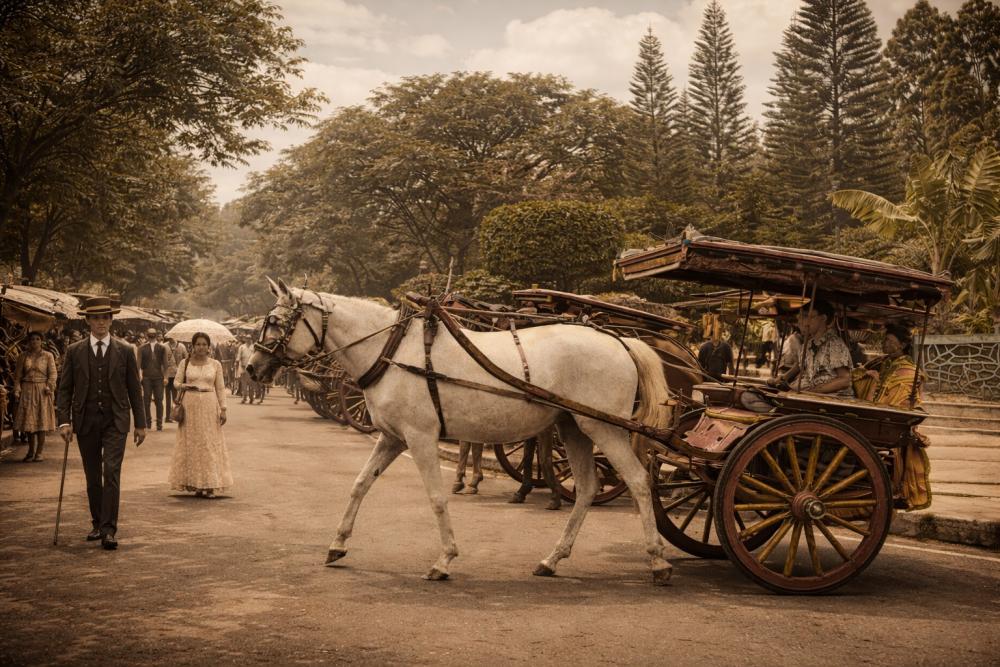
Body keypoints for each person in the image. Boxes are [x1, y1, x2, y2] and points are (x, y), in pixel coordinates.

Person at [56, 296, 145, 550]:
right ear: (87, 321)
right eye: (95, 318)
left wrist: (141, 423)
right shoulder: (74, 351)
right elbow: (65, 389)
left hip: (116, 420)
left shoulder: (126, 350)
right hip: (85, 421)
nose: (101, 322)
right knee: (93, 476)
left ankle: (109, 530)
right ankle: (97, 522)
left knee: (111, 472)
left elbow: (134, 390)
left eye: (105, 317)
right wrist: (64, 422)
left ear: (111, 320)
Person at [167, 332, 232, 498]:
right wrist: (185, 385)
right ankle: (196, 483)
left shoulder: (215, 364)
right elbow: (176, 382)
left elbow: (220, 387)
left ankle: (210, 485)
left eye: (204, 344)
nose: (201, 347)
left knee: (209, 443)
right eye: (198, 344)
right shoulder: (185, 363)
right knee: (192, 443)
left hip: (210, 405)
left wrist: (223, 409)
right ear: (193, 346)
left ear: (208, 346)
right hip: (190, 405)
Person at [768, 301, 853, 396]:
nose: (801, 322)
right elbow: (799, 366)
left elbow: (845, 380)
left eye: (806, 316)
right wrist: (781, 379)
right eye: (799, 317)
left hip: (833, 399)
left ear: (823, 318)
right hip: (809, 395)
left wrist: (811, 392)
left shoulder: (834, 343)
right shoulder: (807, 345)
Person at [852, 323, 923, 406]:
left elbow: (889, 401)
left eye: (890, 341)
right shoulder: (882, 361)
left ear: (902, 345)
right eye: (885, 339)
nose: (885, 343)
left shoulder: (907, 370)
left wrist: (874, 382)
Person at [12, 331, 57, 462]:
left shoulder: (48, 356)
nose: (35, 341)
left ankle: (39, 453)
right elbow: (17, 376)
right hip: (27, 390)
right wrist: (17, 389)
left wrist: (50, 386)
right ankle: (30, 451)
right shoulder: (23, 356)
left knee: (41, 422)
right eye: (32, 339)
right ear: (29, 341)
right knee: (29, 423)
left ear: (41, 341)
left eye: (38, 339)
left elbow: (53, 374)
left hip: (42, 390)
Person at [138, 327, 175, 430]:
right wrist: (139, 376)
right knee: (146, 400)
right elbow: (138, 364)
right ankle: (148, 422)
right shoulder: (142, 348)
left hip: (158, 377)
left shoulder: (161, 348)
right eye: (150, 334)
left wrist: (166, 377)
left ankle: (159, 423)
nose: (151, 336)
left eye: (153, 334)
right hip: (146, 377)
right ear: (147, 335)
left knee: (159, 400)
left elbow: (165, 364)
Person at [164, 336, 188, 423]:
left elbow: (186, 359)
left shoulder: (181, 346)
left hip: (176, 376)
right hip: (168, 375)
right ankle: (168, 416)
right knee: (169, 397)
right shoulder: (165, 346)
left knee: (175, 396)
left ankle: (173, 415)